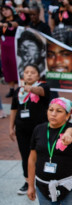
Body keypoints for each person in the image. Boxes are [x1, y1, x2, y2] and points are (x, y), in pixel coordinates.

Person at [9, 65, 50, 195]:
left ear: (38, 76)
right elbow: (14, 109)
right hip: (22, 129)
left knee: (41, 154)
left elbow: (40, 92)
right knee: (25, 155)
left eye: (33, 73)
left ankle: (43, 181)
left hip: (39, 129)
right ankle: (28, 182)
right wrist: (11, 127)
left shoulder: (43, 87)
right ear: (23, 76)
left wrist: (30, 89)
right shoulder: (18, 91)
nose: (29, 75)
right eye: (26, 72)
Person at [1, 4, 23, 99]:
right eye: (3, 10)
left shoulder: (17, 20)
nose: (5, 12)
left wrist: (6, 24)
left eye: (6, 9)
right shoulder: (1, 21)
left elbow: (15, 24)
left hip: (15, 46)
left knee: (16, 66)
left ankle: (20, 88)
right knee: (7, 66)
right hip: (4, 47)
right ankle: (11, 89)